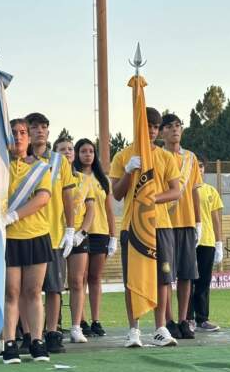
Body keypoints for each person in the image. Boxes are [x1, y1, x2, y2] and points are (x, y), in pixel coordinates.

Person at [0, 118, 52, 364]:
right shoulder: (0, 166)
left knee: (34, 291)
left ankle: (37, 341)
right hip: (8, 239)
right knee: (11, 292)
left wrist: (14, 215)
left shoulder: (40, 167)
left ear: (29, 138)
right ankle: (9, 342)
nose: (18, 137)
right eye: (13, 133)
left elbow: (43, 198)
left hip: (36, 234)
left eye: (22, 133)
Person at [109, 107, 182, 348]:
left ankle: (160, 328)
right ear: (138, 126)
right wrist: (129, 172)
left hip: (161, 226)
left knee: (164, 278)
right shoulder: (122, 157)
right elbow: (117, 194)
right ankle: (134, 329)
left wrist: (151, 199)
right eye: (147, 126)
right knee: (133, 279)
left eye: (155, 127)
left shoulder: (165, 157)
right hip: (133, 227)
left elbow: (176, 191)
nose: (151, 131)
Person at [25, 113, 75, 355]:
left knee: (54, 288)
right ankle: (28, 334)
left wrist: (71, 227)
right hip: (27, 233)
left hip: (54, 234)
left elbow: (68, 196)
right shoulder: (20, 161)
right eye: (34, 127)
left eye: (44, 126)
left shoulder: (59, 161)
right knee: (28, 290)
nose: (40, 131)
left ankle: (52, 332)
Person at [159, 113, 203, 340]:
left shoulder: (190, 158)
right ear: (162, 132)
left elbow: (195, 189)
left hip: (186, 222)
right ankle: (168, 320)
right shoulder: (157, 156)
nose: (175, 130)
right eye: (169, 126)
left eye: (178, 126)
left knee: (186, 273)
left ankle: (184, 318)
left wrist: (198, 221)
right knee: (166, 275)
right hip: (164, 222)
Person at [72, 137, 117, 338]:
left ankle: (96, 319)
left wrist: (113, 236)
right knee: (79, 278)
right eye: (83, 151)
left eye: (90, 151)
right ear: (77, 154)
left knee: (95, 277)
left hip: (100, 231)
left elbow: (109, 210)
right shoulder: (73, 177)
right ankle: (80, 320)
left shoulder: (102, 180)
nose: (87, 154)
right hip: (80, 232)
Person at [58, 138, 95, 343]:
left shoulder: (84, 179)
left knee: (77, 281)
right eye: (62, 149)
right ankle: (52, 325)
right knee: (53, 283)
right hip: (56, 234)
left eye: (70, 149)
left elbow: (91, 209)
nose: (67, 152)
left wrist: (82, 232)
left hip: (78, 237)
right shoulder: (51, 175)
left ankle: (76, 326)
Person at [187, 157, 224, 332]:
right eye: (195, 165)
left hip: (207, 241)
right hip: (188, 240)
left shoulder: (211, 191)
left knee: (203, 281)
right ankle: (187, 318)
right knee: (188, 280)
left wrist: (219, 243)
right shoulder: (185, 188)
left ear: (204, 169)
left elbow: (216, 219)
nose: (198, 169)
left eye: (201, 166)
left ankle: (202, 318)